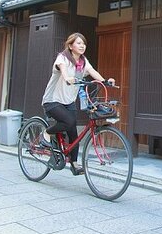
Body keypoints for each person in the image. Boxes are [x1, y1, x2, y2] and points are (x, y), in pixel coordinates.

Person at [41, 32, 114, 175]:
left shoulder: (83, 62)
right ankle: (47, 133)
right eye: (79, 43)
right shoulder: (63, 58)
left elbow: (92, 71)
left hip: (68, 102)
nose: (82, 46)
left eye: (83, 43)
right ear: (70, 46)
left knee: (73, 131)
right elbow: (62, 69)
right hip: (52, 101)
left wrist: (105, 81)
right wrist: (68, 77)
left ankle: (74, 163)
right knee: (69, 121)